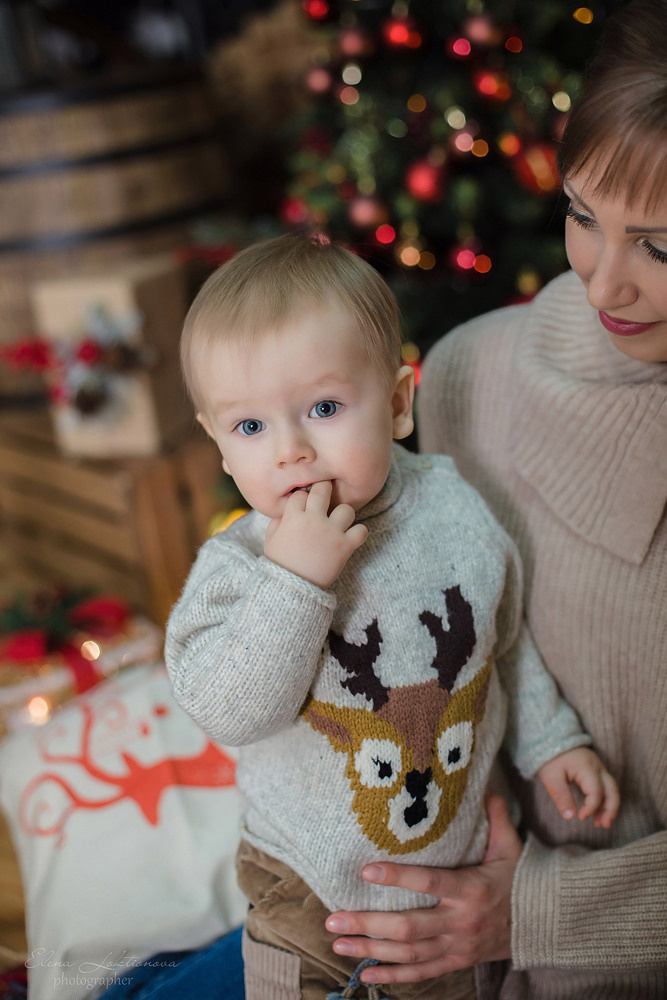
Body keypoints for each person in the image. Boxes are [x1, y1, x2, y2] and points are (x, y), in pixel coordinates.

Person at [163, 234, 618, 1000]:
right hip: (301, 886)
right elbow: (231, 709)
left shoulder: (452, 511)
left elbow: (498, 641)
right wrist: (293, 581)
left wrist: (549, 741)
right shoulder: (242, 567)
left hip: (448, 883)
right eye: (251, 428)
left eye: (325, 408)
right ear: (216, 444)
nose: (292, 453)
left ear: (399, 402)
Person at [322, 1, 667, 997]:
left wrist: (541, 906)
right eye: (582, 215)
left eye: (662, 247)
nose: (607, 282)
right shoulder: (467, 372)